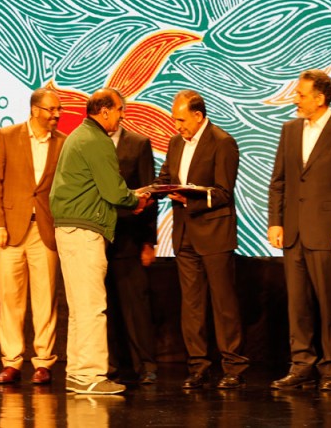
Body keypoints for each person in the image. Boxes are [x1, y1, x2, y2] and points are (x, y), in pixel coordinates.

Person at [267, 69, 331, 392]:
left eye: (301, 94)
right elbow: (279, 180)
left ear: (320, 98)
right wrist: (275, 221)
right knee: (298, 303)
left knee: (329, 303)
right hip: (293, 231)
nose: (295, 99)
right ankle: (301, 365)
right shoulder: (290, 130)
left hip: (326, 232)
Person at [49, 87, 152, 395]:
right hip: (84, 231)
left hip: (71, 230)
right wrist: (137, 199)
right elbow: (114, 191)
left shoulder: (79, 136)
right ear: (104, 111)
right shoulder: (96, 140)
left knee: (81, 308)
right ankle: (92, 375)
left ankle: (78, 373)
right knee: (93, 307)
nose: (122, 116)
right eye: (120, 110)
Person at [152, 89, 249, 390]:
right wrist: (151, 191)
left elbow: (223, 192)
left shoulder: (222, 142)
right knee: (192, 304)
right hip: (184, 234)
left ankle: (233, 366)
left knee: (223, 303)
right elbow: (166, 177)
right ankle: (198, 367)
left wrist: (188, 198)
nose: (177, 126)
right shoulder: (175, 143)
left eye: (181, 120)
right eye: (174, 120)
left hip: (214, 233)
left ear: (198, 115)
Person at [0, 86, 66, 385]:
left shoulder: (63, 143)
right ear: (35, 110)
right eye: (51, 109)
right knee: (10, 298)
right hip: (10, 231)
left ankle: (43, 362)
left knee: (46, 299)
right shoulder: (8, 136)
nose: (57, 114)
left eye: (58, 109)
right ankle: (12, 362)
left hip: (45, 229)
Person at [106, 93, 160, 386]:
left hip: (129, 239)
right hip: (97, 241)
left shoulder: (138, 144)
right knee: (105, 308)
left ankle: (146, 365)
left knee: (136, 306)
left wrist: (149, 241)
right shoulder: (88, 144)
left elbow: (150, 195)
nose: (119, 115)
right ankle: (110, 366)